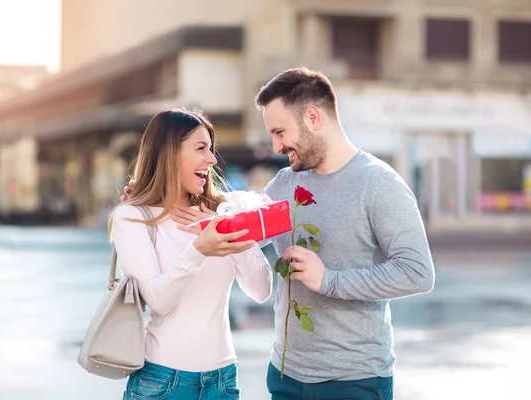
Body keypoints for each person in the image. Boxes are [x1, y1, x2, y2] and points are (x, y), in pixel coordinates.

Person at [157, 67, 436, 400]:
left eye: (280, 131)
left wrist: (329, 280)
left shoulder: (379, 184)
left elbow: (418, 272)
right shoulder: (285, 183)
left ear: (313, 118)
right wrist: (153, 193)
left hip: (354, 381)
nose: (275, 146)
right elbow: (233, 221)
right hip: (286, 377)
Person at [110, 107, 272, 400]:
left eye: (211, 149)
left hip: (223, 381)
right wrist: (199, 250)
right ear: (169, 153)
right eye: (200, 149)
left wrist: (231, 232)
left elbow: (261, 290)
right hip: (162, 382)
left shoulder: (219, 213)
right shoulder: (133, 217)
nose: (211, 159)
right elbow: (158, 299)